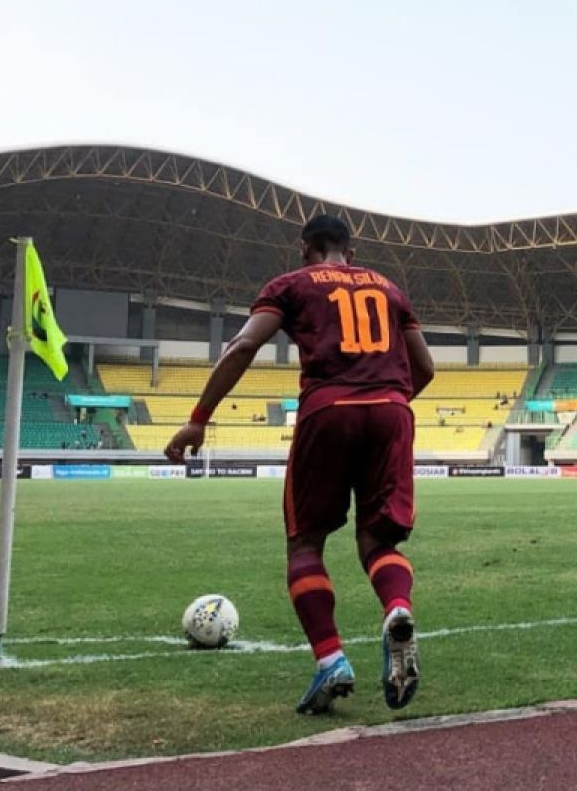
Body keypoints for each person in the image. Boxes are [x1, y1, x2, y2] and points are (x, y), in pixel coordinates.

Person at [164, 215, 435, 714]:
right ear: (349, 252)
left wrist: (198, 419)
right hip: (393, 412)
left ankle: (331, 659)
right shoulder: (390, 289)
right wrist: (387, 404)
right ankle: (397, 609)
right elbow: (427, 368)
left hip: (328, 410)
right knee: (379, 541)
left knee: (305, 542)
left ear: (307, 248)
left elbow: (244, 344)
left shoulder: (292, 284)